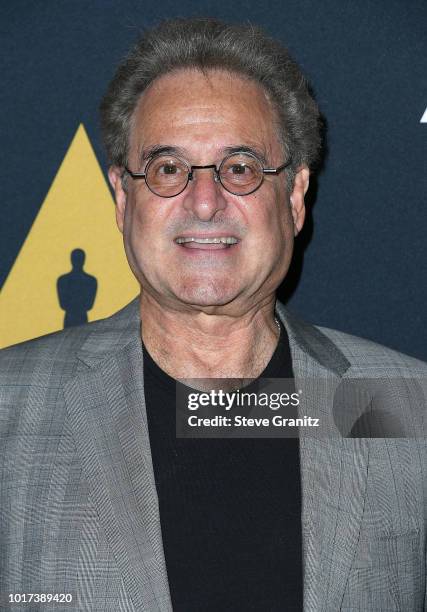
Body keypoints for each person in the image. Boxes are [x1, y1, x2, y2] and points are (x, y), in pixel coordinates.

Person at [1, 18, 426, 612]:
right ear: (124, 199)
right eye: (169, 168)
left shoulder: (404, 405)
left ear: (296, 197)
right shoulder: (9, 408)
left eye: (241, 168)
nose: (205, 202)